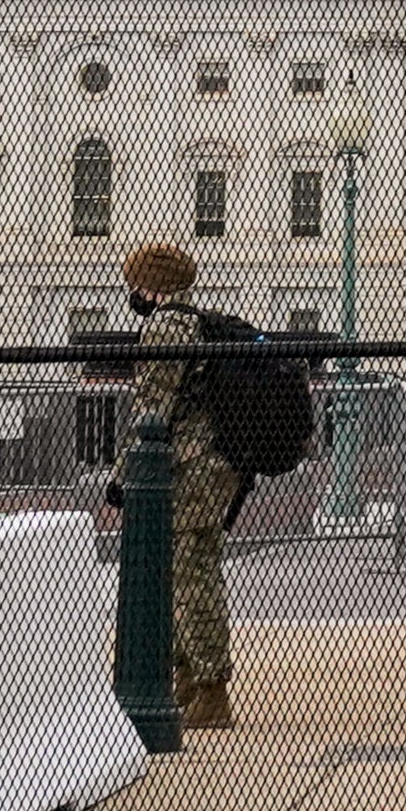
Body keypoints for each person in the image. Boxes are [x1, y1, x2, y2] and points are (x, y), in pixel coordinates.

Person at [122, 242, 242, 729]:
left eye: (136, 284)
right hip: (211, 466)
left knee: (193, 579)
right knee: (190, 573)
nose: (132, 292)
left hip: (191, 469)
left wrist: (123, 473)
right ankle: (191, 682)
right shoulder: (197, 321)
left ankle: (210, 689)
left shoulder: (165, 329)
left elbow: (152, 409)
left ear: (152, 287)